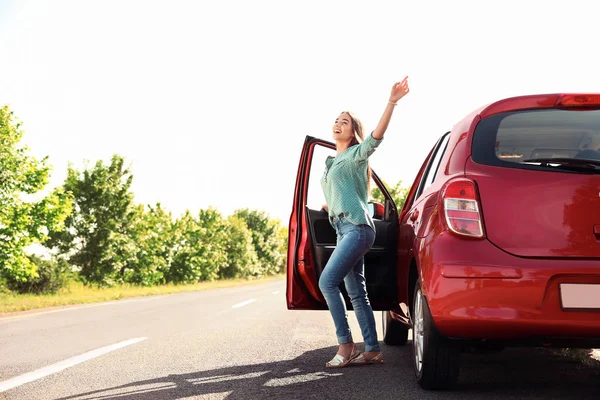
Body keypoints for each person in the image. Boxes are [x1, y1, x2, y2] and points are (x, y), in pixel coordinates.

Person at [318, 76, 410, 368]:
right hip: (343, 229)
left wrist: (392, 102)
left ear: (353, 131)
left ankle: (346, 344)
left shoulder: (357, 155)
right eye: (336, 120)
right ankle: (372, 349)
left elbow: (376, 137)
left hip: (358, 229)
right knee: (357, 291)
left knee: (327, 282)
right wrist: (329, 205)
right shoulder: (331, 162)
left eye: (344, 121)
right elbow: (341, 192)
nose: (338, 124)